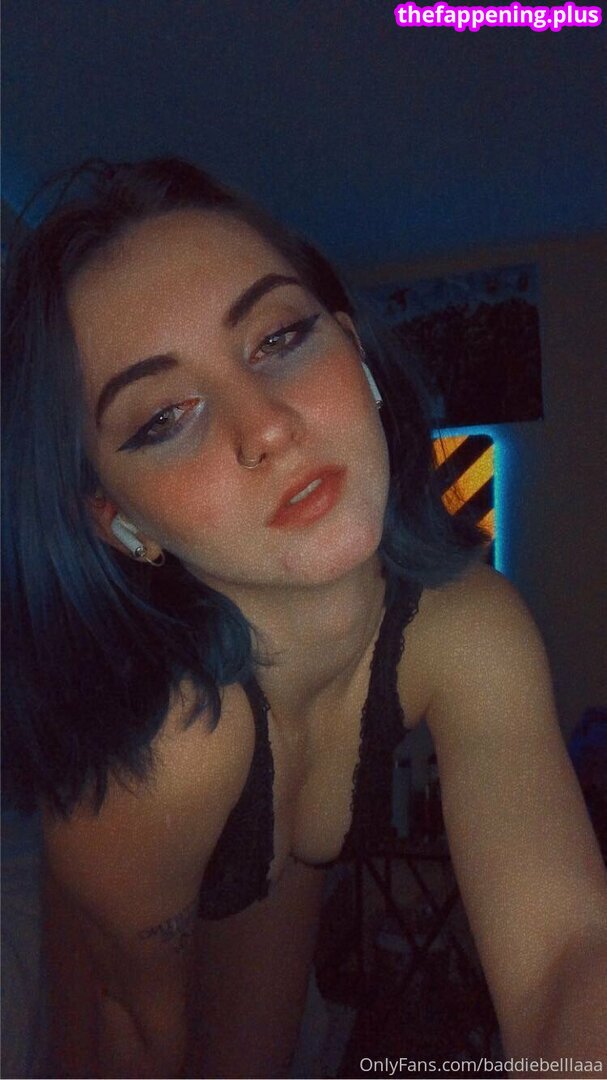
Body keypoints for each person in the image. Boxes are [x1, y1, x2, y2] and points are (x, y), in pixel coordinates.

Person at [2, 157, 606, 1079]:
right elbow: (133, 1027)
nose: (268, 428)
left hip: (279, 871)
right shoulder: (161, 752)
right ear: (120, 521)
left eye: (279, 337)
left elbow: (565, 954)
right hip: (121, 884)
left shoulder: (470, 630)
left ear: (355, 355)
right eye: (164, 417)